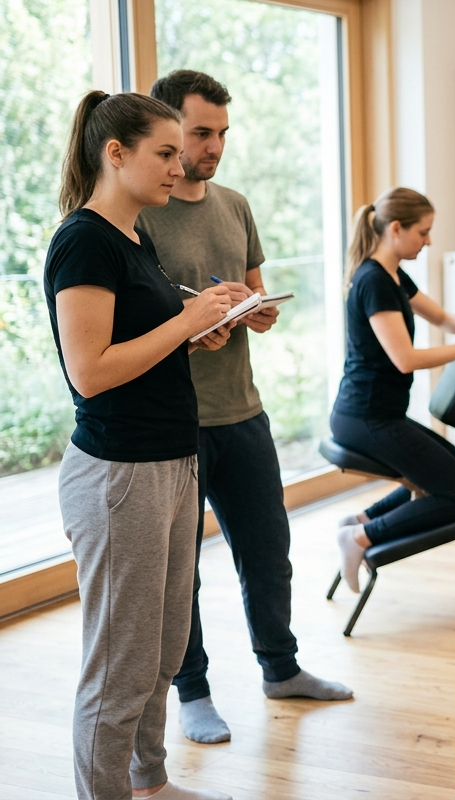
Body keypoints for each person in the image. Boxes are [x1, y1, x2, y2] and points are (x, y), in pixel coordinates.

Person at [137, 69, 353, 746]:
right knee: (183, 572)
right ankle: (193, 692)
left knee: (268, 554)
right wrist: (190, 323)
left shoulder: (234, 203)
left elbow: (253, 291)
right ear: (168, 131)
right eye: (200, 133)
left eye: (221, 133)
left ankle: (280, 669)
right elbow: (141, 321)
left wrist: (254, 311)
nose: (213, 146)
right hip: (178, 423)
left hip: (244, 413)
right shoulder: (139, 215)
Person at [45, 90, 236, 800]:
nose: (179, 162)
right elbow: (91, 372)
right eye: (164, 152)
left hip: (171, 464)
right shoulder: (84, 240)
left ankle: (149, 783)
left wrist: (198, 329)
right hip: (119, 475)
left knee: (162, 651)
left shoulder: (135, 237)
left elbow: (143, 344)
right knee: (119, 666)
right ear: (114, 153)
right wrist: (185, 323)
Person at [330, 187, 455, 591]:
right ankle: (360, 538)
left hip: (378, 414)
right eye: (423, 232)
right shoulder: (373, 280)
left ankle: (360, 522)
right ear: (395, 229)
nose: (428, 241)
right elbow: (404, 358)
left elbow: (441, 316)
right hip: (364, 418)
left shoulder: (390, 274)